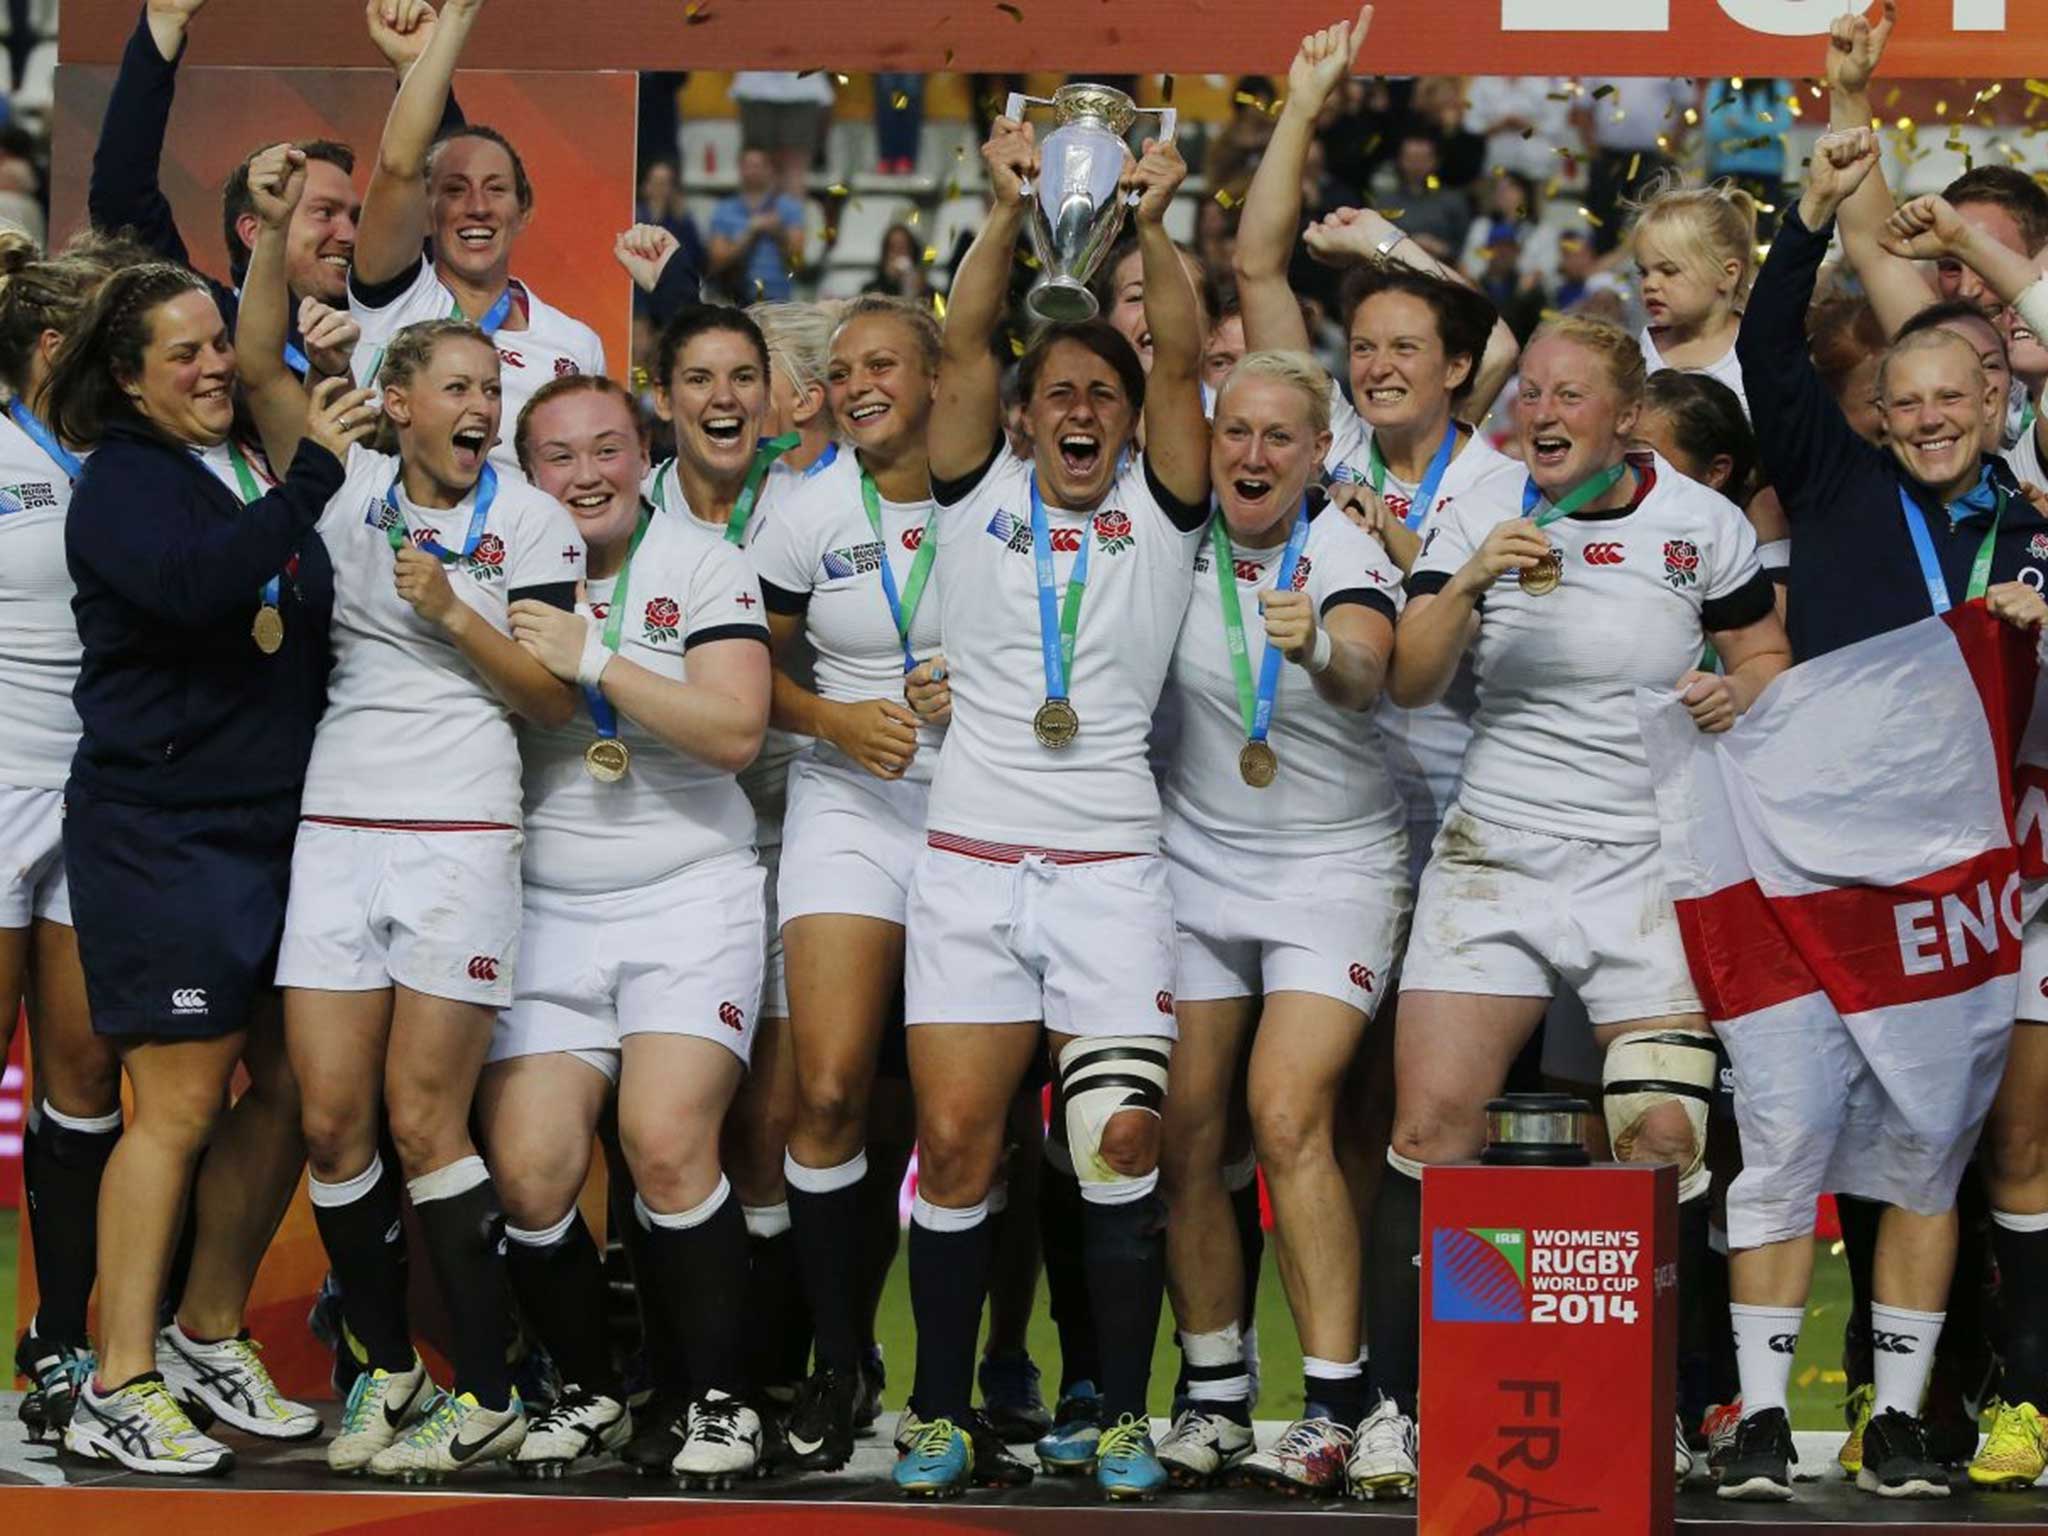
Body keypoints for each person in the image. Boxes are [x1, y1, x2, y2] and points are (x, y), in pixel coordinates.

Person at [1378, 313, 1789, 1499]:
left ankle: (1659, 1415)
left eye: (1568, 397)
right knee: (1428, 1136)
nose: (1541, 414)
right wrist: (1462, 578)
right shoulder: (1476, 504)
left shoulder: (1699, 526)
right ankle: (1410, 1416)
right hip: (1491, 857)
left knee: (1661, 1138)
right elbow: (1407, 678)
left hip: (1645, 865)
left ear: (1621, 414)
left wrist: (1733, 692)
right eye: (1532, 398)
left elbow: (1763, 656)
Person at [237, 145, 586, 1480]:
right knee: (332, 1121)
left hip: (460, 834)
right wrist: (274, 229)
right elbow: (266, 359)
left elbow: (554, 705)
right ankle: (387, 1376)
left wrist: (458, 622)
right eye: (457, 388)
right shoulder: (346, 493)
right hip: (339, 828)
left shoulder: (540, 529)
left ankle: (486, 1386)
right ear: (396, 400)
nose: (484, 409)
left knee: (426, 1121)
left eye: (491, 389)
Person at [1726, 125, 2048, 1502]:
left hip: (1973, 897)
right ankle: (1754, 1416)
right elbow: (1765, 352)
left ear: (1992, 402)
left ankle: (1907, 1416)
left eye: (1949, 401)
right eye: (1903, 401)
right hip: (1822, 878)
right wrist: (1805, 219)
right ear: (1880, 411)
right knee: (1788, 1138)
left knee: (1930, 1144)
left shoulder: (2036, 527)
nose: (1924, 419)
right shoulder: (1842, 479)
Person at [892, 115, 1209, 1503]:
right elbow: (962, 345)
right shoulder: (971, 498)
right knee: (959, 1148)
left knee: (1118, 1142)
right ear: (1023, 418)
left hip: (1109, 867)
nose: (1081, 413)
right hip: (967, 862)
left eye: (1104, 396)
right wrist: (1015, 209)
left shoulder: (1167, 511)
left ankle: (1123, 1415)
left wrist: (1143, 218)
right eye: (1058, 394)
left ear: (1131, 422)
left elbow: (1189, 350)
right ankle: (941, 1409)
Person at [47, 257, 375, 1474]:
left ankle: (204, 1332)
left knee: (298, 1087)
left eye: (217, 343)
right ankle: (115, 1380)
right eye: (178, 353)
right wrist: (311, 482)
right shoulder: (122, 484)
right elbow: (197, 588)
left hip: (279, 827)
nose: (209, 367)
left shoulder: (231, 462)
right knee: (177, 1106)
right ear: (127, 382)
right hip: (163, 833)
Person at [475, 373, 772, 1485]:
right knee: (533, 1176)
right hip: (542, 902)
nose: (587, 475)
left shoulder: (700, 561)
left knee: (662, 1144)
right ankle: (594, 1392)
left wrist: (592, 659)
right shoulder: (493, 569)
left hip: (688, 891)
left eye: (607, 449)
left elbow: (737, 729)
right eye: (559, 456)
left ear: (641, 452)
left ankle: (723, 1401)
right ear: (527, 472)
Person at [1152, 350, 1409, 1498]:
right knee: (1187, 1130)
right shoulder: (1167, 543)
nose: (1251, 455)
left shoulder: (1346, 551)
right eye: (1235, 433)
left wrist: (1310, 645)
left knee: (1287, 1110)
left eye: (1277, 438)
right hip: (1196, 861)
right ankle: (1212, 1390)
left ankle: (1334, 1402)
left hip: (1334, 867)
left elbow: (1364, 671)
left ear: (1317, 455)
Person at [1861, 189, 2048, 1492]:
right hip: (1937, 867)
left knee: (2027, 1145)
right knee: (1959, 1142)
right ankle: (1965, 1402)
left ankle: (2023, 1397)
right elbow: (1900, 326)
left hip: (2036, 862)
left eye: (1974, 381)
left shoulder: (2035, 493)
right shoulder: (1967, 491)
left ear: (2000, 399)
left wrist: (1973, 250)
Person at [746, 292, 950, 1471]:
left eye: (885, 364)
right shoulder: (806, 514)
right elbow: (748, 680)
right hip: (846, 803)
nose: (861, 383)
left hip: (981, 808)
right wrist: (831, 718)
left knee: (961, 1120)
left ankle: (962, 1381)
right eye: (844, 368)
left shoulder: (998, 500)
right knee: (822, 1092)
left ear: (935, 376)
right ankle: (838, 1362)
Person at [0, 238, 127, 1447]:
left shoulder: (135, 455)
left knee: (84, 1083)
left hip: (103, 792)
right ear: (55, 347)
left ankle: (58, 1340)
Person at [88, 0, 448, 378]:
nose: (348, 234)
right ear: (252, 229)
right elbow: (122, 204)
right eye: (324, 212)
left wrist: (419, 68)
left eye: (355, 217)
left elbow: (448, 213)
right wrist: (163, 22)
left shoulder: (397, 316)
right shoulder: (217, 328)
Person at [346, 0, 604, 476]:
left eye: (496, 190)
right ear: (426, 212)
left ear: (523, 210)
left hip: (518, 548)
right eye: (455, 191)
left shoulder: (575, 343)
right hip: (388, 546)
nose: (478, 207)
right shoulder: (394, 299)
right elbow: (400, 164)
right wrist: (449, 28)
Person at [1629, 176, 1757, 418]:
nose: (1650, 284)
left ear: (1727, 274)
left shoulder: (1759, 351)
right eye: (1643, 272)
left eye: (1669, 271)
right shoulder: (1637, 359)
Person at [709, 148, 809, 306]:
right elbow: (717, 261)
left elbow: (798, 261)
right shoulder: (724, 209)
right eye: (748, 166)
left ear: (769, 169)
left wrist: (779, 232)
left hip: (779, 297)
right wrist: (749, 233)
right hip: (735, 298)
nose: (753, 171)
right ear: (740, 169)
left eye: (758, 166)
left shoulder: (789, 208)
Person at [867, 225, 935, 301]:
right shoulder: (872, 290)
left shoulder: (926, 289)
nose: (899, 253)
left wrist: (921, 289)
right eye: (893, 248)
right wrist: (889, 281)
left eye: (904, 247)